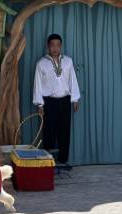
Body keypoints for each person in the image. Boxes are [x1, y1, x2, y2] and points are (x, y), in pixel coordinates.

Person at [33, 33, 81, 167]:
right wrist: (40, 104)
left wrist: (75, 99)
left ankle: (63, 160)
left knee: (64, 130)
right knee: (49, 130)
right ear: (48, 46)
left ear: (61, 46)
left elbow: (73, 80)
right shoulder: (41, 64)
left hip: (65, 100)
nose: (55, 48)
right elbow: (38, 84)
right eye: (52, 45)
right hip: (49, 102)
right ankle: (48, 162)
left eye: (58, 45)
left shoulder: (68, 61)